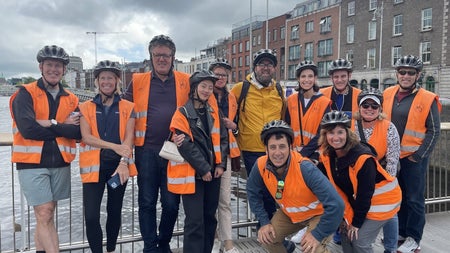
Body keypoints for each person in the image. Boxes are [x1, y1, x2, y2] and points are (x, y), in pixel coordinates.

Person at [122, 34, 190, 253]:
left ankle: (164, 243)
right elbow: (123, 112)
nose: (162, 59)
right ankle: (150, 248)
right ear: (150, 57)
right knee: (147, 201)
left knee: (171, 203)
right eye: (157, 55)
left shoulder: (184, 81)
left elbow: (197, 109)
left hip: (174, 151)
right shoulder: (138, 80)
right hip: (146, 151)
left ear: (173, 57)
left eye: (166, 55)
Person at [10, 45, 81, 253]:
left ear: (64, 70)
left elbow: (77, 133)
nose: (53, 69)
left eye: (58, 66)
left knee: (46, 214)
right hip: (31, 162)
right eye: (49, 65)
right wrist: (61, 125)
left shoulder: (72, 98)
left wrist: (48, 123)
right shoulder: (25, 94)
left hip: (59, 161)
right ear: (41, 67)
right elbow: (28, 129)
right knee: (44, 212)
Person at [246, 120, 344, 253]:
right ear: (266, 149)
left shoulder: (305, 168)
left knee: (312, 248)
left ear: (290, 147)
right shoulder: (260, 165)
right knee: (267, 238)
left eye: (282, 146)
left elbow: (337, 204)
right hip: (290, 214)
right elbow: (252, 193)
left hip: (318, 214)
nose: (277, 152)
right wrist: (264, 222)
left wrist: (317, 235)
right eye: (273, 147)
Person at [230, 49, 293, 252]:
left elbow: (284, 118)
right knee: (260, 192)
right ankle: (269, 234)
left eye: (269, 64)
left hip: (275, 151)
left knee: (277, 193)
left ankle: (268, 232)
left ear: (274, 68)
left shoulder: (278, 91)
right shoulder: (241, 89)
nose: (265, 68)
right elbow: (229, 114)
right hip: (251, 150)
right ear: (254, 67)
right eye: (261, 64)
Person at [317, 111, 402, 253]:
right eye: (331, 133)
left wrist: (356, 223)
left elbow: (365, 194)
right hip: (362, 200)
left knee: (360, 240)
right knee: (346, 232)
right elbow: (316, 175)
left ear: (347, 133)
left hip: (383, 201)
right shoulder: (329, 156)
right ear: (325, 136)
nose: (336, 137)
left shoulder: (363, 158)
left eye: (340, 132)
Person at [383, 55, 441, 253]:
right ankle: (401, 232)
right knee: (398, 196)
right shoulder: (388, 93)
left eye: (410, 72)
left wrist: (419, 155)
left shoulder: (427, 98)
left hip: (414, 158)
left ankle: (414, 238)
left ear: (417, 75)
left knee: (415, 199)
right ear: (397, 74)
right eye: (402, 72)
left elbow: (434, 130)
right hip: (392, 157)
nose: (406, 76)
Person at [79, 60, 138, 253]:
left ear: (117, 81)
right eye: (103, 78)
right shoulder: (85, 107)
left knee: (114, 212)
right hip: (93, 167)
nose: (107, 81)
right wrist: (115, 146)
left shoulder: (128, 106)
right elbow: (87, 137)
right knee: (91, 216)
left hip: (117, 167)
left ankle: (111, 249)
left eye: (110, 78)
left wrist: (123, 162)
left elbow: (129, 138)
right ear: (97, 81)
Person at [168, 70, 228, 253]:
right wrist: (203, 169)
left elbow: (223, 138)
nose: (207, 90)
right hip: (192, 175)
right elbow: (185, 144)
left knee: (210, 218)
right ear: (194, 88)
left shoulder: (214, 111)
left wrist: (221, 164)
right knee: (194, 221)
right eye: (203, 86)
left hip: (214, 173)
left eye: (210, 87)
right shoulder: (182, 113)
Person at [353, 88, 401, 253]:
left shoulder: (389, 128)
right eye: (365, 105)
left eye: (374, 106)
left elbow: (393, 159)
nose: (369, 109)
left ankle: (390, 248)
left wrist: (385, 183)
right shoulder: (352, 128)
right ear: (359, 108)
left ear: (380, 109)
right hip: (359, 178)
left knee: (390, 212)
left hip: (383, 176)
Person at [320, 58, 361, 244]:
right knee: (331, 189)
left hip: (350, 147)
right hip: (330, 146)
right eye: (336, 76)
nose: (339, 80)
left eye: (343, 76)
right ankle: (335, 227)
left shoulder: (358, 95)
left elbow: (366, 114)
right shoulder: (323, 93)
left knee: (349, 189)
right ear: (331, 77)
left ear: (349, 76)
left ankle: (349, 225)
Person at [209, 58, 240, 253]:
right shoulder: (204, 93)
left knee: (225, 201)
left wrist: (234, 126)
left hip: (226, 154)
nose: (220, 78)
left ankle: (227, 242)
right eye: (217, 74)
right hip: (207, 154)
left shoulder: (231, 98)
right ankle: (212, 239)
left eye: (224, 74)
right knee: (208, 202)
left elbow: (237, 126)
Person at [285, 60, 331, 163]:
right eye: (303, 76)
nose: (306, 80)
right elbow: (287, 126)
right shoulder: (291, 100)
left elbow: (322, 133)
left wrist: (303, 154)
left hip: (315, 156)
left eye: (310, 76)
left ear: (315, 78)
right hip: (293, 154)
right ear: (298, 79)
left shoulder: (324, 102)